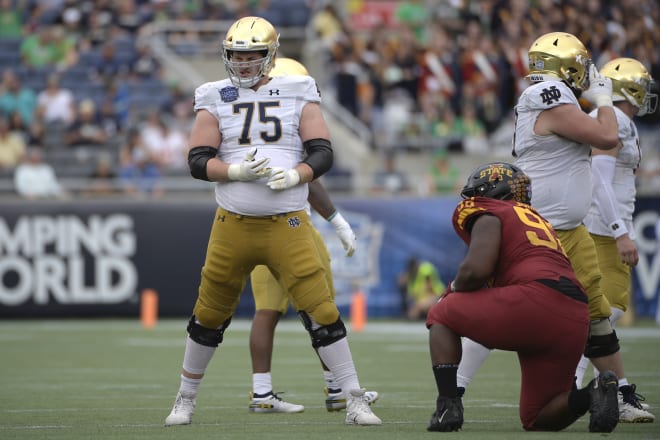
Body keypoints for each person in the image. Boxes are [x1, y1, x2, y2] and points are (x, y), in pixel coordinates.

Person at [164, 17, 381, 427]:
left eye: (252, 55)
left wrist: (297, 174)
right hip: (233, 223)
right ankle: (185, 398)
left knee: (322, 310)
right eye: (237, 56)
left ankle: (353, 399)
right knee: (209, 313)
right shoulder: (214, 95)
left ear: (271, 56)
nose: (243, 64)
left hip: (288, 223)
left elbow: (322, 151)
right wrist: (234, 172)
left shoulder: (298, 90)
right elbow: (196, 161)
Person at [455, 31, 631, 421]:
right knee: (501, 311)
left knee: (597, 312)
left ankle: (622, 392)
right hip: (541, 231)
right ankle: (454, 390)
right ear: (565, 66)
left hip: (570, 227)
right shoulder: (548, 94)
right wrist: (605, 102)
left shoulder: (557, 97)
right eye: (581, 65)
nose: (587, 73)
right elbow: (606, 136)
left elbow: (605, 142)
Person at [426, 162, 619, 433]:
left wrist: (453, 289)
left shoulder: (490, 212)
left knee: (441, 311)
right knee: (537, 416)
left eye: (476, 194)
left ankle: (448, 406)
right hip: (575, 313)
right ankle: (591, 394)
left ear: (489, 192)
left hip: (535, 299)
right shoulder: (539, 220)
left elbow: (476, 269)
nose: (472, 200)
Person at [246, 57, 378, 414]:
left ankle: (261, 393)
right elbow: (311, 178)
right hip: (292, 229)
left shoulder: (244, 121)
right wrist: (337, 220)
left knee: (267, 312)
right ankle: (337, 388)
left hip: (251, 226)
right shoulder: (288, 122)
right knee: (321, 307)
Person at [575, 57, 656, 423]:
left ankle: (605, 387)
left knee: (607, 309)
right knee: (606, 311)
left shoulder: (620, 122)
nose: (646, 95)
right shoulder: (617, 122)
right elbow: (599, 179)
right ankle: (595, 384)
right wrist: (620, 230)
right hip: (602, 227)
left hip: (601, 224)